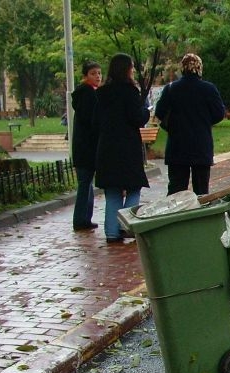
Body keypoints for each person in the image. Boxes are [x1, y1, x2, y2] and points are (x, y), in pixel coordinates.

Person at [92, 53, 150, 244]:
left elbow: (95, 121)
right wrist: (145, 112)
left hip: (106, 147)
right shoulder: (129, 91)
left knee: (112, 190)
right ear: (126, 69)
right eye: (131, 67)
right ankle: (127, 225)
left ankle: (111, 232)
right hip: (127, 147)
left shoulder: (101, 93)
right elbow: (138, 118)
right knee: (134, 187)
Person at [154, 53, 225, 195]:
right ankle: (199, 216)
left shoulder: (171, 89)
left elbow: (160, 112)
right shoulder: (209, 89)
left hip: (177, 147)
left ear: (183, 68)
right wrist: (205, 121)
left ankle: (177, 217)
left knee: (176, 191)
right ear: (199, 68)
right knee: (201, 191)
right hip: (201, 146)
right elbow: (219, 113)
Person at [70, 60, 101, 231]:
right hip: (86, 148)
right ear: (85, 76)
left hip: (85, 148)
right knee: (84, 183)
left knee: (87, 183)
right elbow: (92, 121)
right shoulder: (88, 95)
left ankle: (84, 218)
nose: (97, 76)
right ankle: (80, 219)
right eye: (93, 73)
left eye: (99, 73)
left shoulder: (88, 94)